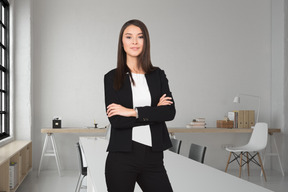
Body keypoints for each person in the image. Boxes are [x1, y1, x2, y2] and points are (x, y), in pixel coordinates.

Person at [104, 19, 176, 192]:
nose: (134, 42)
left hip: (154, 157)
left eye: (140, 37)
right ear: (122, 42)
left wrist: (131, 112)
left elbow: (169, 112)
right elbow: (117, 122)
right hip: (122, 158)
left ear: (146, 41)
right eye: (129, 37)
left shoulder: (157, 75)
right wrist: (154, 113)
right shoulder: (111, 78)